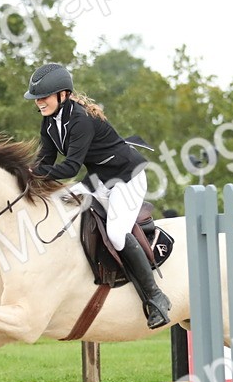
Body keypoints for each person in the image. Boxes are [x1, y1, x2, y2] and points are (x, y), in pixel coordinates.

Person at [23, 62, 170, 329]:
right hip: (99, 178)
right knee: (60, 205)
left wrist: (38, 175)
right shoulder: (49, 121)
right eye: (37, 99)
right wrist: (27, 174)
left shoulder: (80, 119)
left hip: (127, 176)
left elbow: (70, 166)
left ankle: (156, 297)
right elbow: (45, 161)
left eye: (43, 97)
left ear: (63, 94)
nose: (39, 103)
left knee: (116, 232)